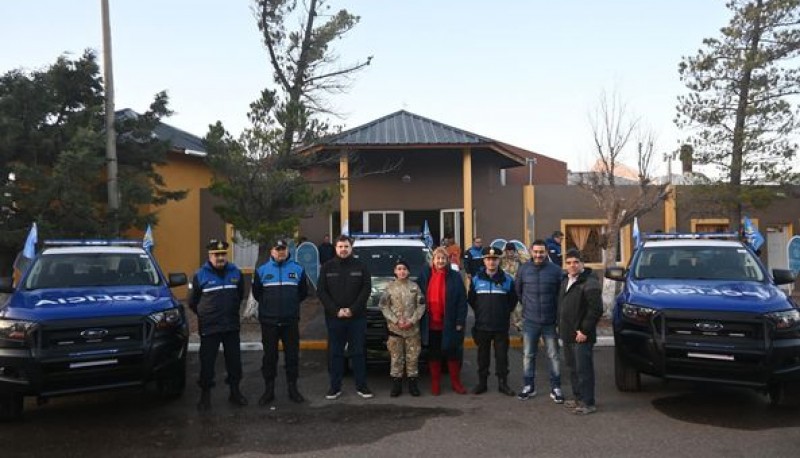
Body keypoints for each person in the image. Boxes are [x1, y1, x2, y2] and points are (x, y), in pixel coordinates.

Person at [188, 238, 248, 411]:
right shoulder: (199, 275)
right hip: (210, 328)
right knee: (207, 364)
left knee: (234, 362)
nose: (220, 257)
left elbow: (239, 295)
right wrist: (206, 315)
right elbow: (192, 302)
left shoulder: (235, 272)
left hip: (231, 326)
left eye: (223, 254)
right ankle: (205, 396)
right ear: (210, 255)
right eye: (216, 254)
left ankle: (235, 392)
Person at [251, 237, 309, 405]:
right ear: (272, 252)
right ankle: (269, 390)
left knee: (292, 357)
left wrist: (289, 306)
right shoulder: (262, 270)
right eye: (278, 249)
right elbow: (257, 294)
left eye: (283, 249)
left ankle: (293, 389)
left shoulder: (298, 269)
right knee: (270, 357)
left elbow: (303, 293)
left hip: (290, 321)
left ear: (287, 250)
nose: (281, 252)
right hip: (269, 322)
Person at [317, 235, 373, 400]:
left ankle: (362, 386)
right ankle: (335, 387)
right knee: (336, 353)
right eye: (340, 246)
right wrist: (336, 311)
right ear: (336, 248)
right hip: (335, 318)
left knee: (358, 352)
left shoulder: (361, 266)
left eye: (346, 246)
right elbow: (321, 291)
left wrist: (352, 310)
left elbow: (366, 289)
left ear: (351, 248)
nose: (343, 249)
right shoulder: (327, 267)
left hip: (357, 318)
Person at [514, 239, 564, 403]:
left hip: (550, 320)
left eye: (541, 252)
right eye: (535, 252)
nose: (538, 255)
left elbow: (560, 295)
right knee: (528, 355)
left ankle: (556, 387)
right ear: (530, 252)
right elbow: (519, 292)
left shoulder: (556, 271)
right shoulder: (523, 270)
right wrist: (528, 307)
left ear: (546, 252)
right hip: (530, 321)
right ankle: (529, 386)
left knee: (554, 355)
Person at [417, 247, 469, 395]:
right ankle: (435, 383)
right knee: (434, 355)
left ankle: (455, 383)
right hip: (431, 323)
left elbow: (461, 301)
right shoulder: (425, 275)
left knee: (453, 353)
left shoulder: (455, 276)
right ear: (432, 260)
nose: (440, 261)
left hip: (450, 323)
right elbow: (418, 297)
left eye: (443, 258)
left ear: (447, 261)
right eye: (437, 258)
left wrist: (460, 321)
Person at [468, 246, 518, 396]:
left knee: (502, 357)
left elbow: (512, 301)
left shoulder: (507, 280)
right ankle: (482, 383)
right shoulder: (476, 280)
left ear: (499, 261)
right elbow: (472, 300)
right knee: (482, 357)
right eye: (488, 259)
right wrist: (481, 313)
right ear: (484, 261)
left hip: (500, 327)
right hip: (482, 325)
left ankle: (503, 384)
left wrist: (503, 313)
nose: (491, 262)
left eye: (494, 259)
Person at [558, 249, 602, 415]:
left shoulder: (589, 282)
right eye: (568, 262)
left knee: (584, 370)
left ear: (582, 263)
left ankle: (588, 402)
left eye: (576, 262)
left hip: (582, 335)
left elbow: (596, 309)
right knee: (573, 368)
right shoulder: (565, 280)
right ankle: (578, 398)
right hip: (568, 333)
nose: (572, 265)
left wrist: (584, 330)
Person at [378, 259, 426, 397]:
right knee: (396, 358)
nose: (402, 271)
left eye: (404, 269)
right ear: (395, 271)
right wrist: (395, 320)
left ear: (408, 271)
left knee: (412, 358)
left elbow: (421, 305)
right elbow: (383, 306)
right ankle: (396, 386)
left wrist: (412, 321)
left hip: (412, 330)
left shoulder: (415, 287)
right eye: (399, 269)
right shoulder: (389, 287)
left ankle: (413, 385)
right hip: (395, 330)